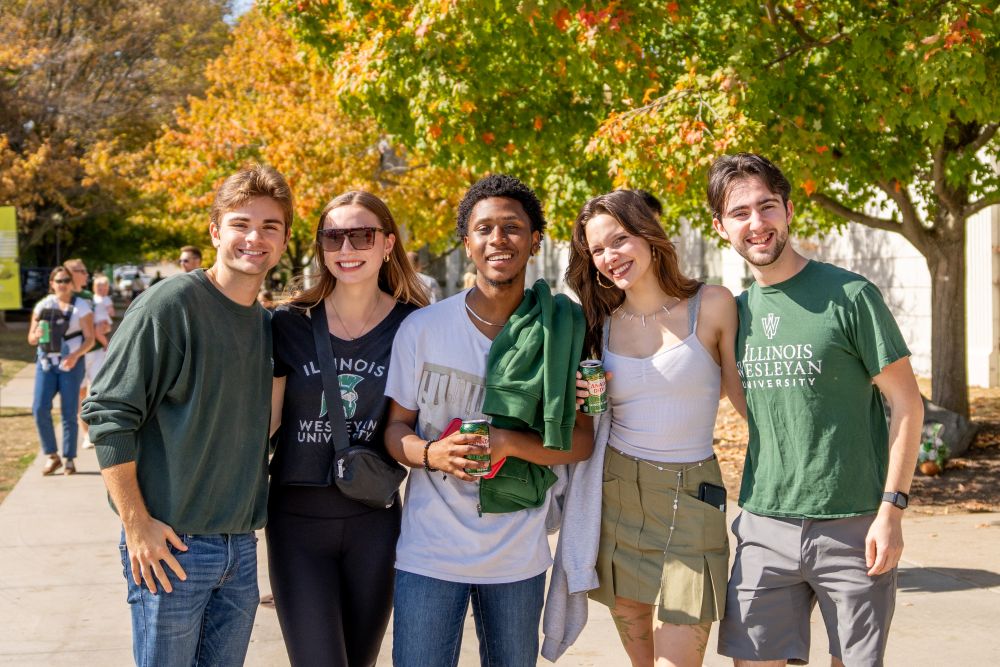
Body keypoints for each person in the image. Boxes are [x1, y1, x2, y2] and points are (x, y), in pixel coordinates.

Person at [707, 153, 923, 666]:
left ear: (788, 211)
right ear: (720, 227)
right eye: (740, 213)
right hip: (763, 524)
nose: (756, 224)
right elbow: (750, 403)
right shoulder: (736, 314)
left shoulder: (849, 296)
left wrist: (891, 510)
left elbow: (907, 405)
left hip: (853, 526)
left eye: (767, 207)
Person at [81, 165, 292, 666]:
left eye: (270, 226)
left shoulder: (267, 327)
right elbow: (108, 415)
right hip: (171, 547)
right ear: (216, 230)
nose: (254, 238)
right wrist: (137, 525)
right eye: (241, 223)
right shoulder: (169, 306)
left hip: (239, 549)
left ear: (284, 239)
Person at [383, 173, 594, 666]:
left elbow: (581, 442)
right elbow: (395, 430)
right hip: (429, 554)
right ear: (468, 243)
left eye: (512, 227)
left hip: (517, 554)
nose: (498, 239)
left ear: (535, 240)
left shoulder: (562, 330)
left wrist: (509, 443)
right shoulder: (423, 329)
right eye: (484, 229)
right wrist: (433, 454)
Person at [544, 190, 745, 666]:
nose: (611, 256)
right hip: (617, 492)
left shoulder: (712, 304)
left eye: (620, 239)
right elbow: (590, 415)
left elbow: (740, 398)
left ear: (649, 237)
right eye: (598, 249)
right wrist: (577, 403)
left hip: (693, 495)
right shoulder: (599, 324)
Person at [266, 191, 429, 666]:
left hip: (374, 520)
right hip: (296, 521)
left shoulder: (414, 325)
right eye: (333, 237)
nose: (346, 248)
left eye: (361, 235)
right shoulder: (288, 323)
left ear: (387, 244)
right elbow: (266, 424)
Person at [27, 266, 95, 475]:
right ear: (52, 284)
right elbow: (31, 339)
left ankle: (69, 459)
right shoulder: (43, 306)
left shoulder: (81, 306)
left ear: (71, 284)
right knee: (39, 408)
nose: (63, 285)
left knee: (68, 412)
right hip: (46, 363)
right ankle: (52, 455)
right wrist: (37, 334)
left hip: (70, 365)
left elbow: (90, 338)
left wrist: (75, 356)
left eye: (66, 280)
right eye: (59, 281)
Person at [81, 274, 115, 449]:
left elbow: (106, 323)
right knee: (84, 393)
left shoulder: (99, 301)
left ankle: (91, 432)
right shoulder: (90, 300)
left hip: (94, 351)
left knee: (93, 390)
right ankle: (87, 433)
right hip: (84, 351)